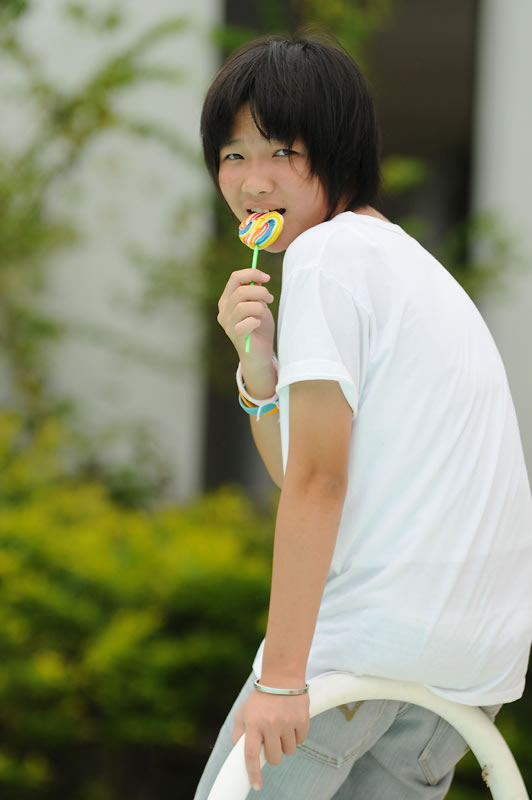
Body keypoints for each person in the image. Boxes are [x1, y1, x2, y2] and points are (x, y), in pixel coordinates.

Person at [194, 32, 532, 799]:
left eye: (282, 150)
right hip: (472, 665)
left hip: (364, 646)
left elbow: (317, 481)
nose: (253, 181)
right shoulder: (409, 264)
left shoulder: (326, 257)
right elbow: (303, 468)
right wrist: (258, 370)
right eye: (233, 155)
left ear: (338, 149)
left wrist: (282, 677)